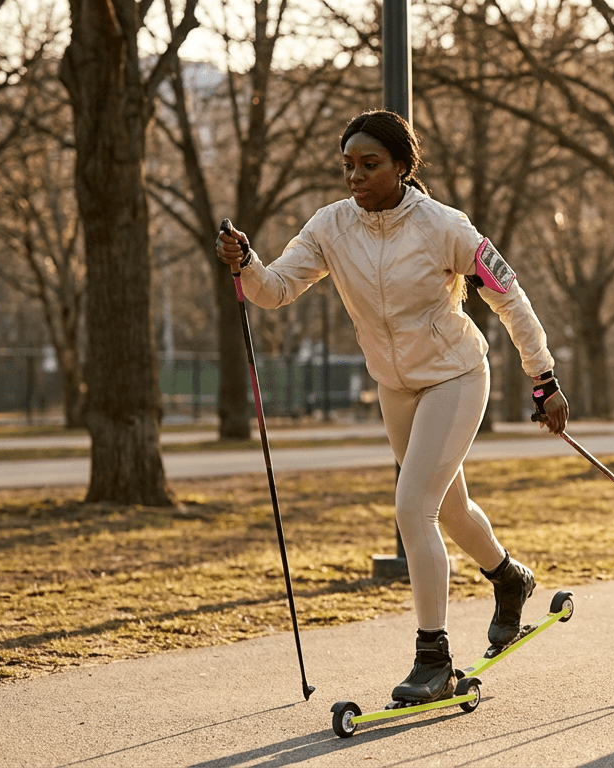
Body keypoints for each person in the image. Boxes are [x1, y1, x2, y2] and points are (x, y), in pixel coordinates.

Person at [216, 109, 568, 705]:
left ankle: (434, 658)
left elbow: (510, 297)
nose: (356, 176)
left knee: (412, 507)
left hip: (455, 375)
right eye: (348, 165)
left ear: (403, 167)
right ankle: (510, 579)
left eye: (370, 164)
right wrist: (246, 262)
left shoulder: (444, 226)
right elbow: (274, 291)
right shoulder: (330, 226)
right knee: (448, 509)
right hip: (394, 386)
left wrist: (543, 376)